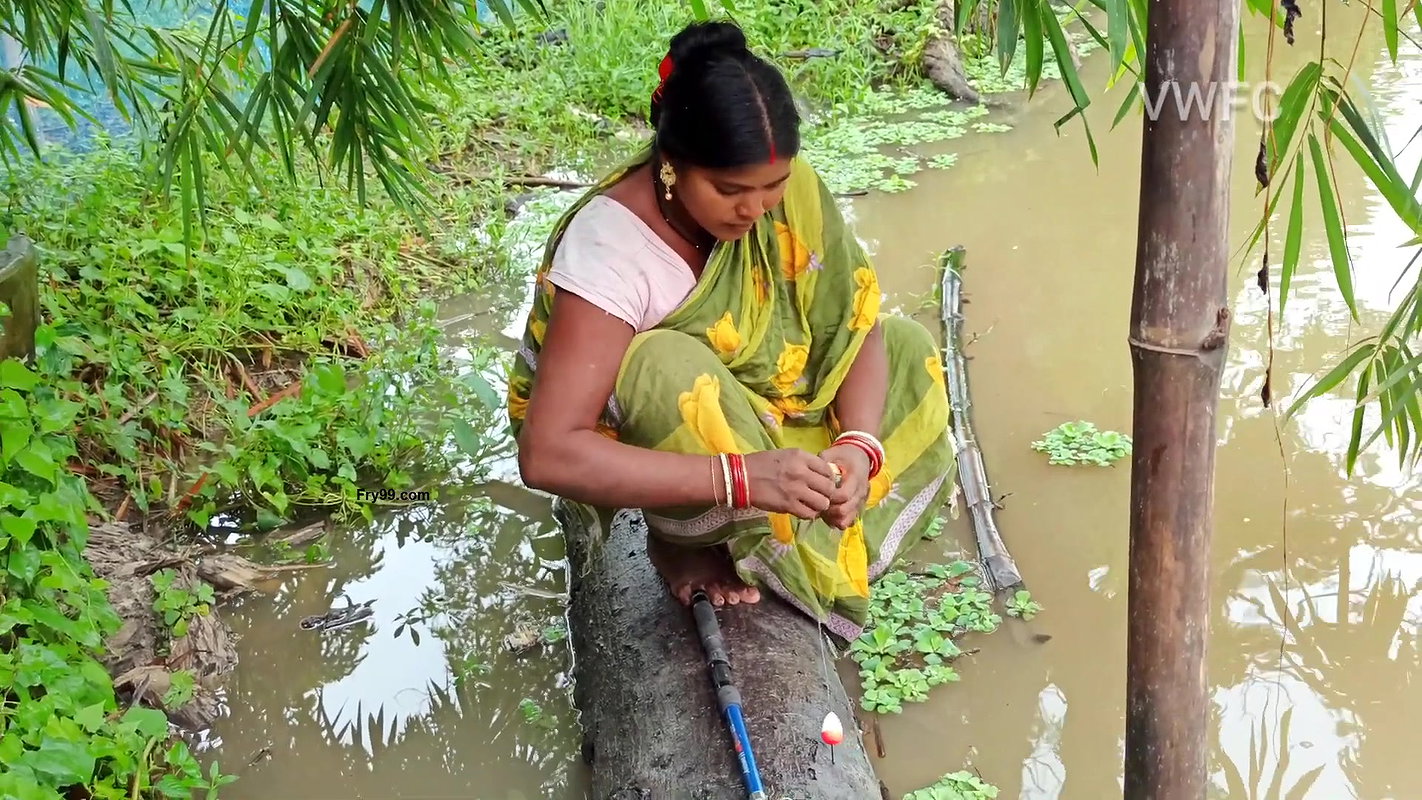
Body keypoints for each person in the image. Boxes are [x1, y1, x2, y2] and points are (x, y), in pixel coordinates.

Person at [506, 19, 955, 643]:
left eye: (773, 186)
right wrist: (742, 478)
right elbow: (548, 452)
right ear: (671, 165)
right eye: (729, 190)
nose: (756, 210)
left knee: (909, 346)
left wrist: (855, 449)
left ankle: (806, 535)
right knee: (664, 364)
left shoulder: (785, 196)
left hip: (774, 421)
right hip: (690, 447)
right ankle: (683, 537)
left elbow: (853, 326)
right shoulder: (611, 250)